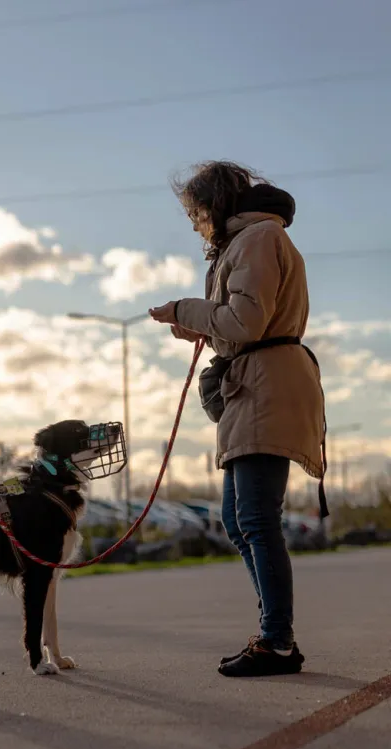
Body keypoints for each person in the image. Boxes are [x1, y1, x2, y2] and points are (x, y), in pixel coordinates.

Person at [149, 161, 326, 677]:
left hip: (267, 385)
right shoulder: (253, 239)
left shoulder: (257, 239)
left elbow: (244, 322)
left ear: (216, 202)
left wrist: (186, 309)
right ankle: (275, 635)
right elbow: (239, 325)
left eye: (195, 211)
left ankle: (276, 641)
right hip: (257, 383)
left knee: (254, 518)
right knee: (238, 518)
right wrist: (200, 325)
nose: (194, 222)